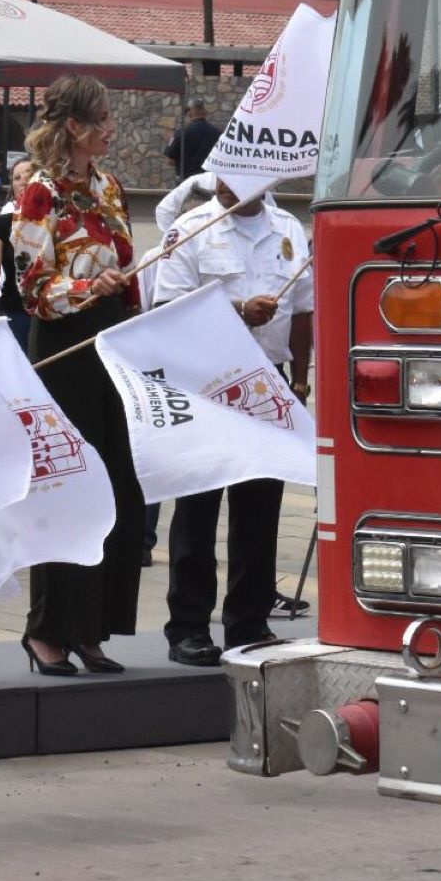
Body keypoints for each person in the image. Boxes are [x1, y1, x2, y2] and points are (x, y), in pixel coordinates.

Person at [11, 75, 151, 677]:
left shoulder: (109, 186)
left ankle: (93, 628)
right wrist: (89, 288)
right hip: (65, 350)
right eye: (103, 118)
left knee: (119, 487)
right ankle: (47, 631)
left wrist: (132, 309)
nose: (112, 127)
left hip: (111, 344)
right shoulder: (39, 194)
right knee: (69, 487)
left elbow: (124, 265)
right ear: (75, 126)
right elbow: (31, 288)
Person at [153, 178, 313, 666]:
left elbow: (303, 308)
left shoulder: (286, 227)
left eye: (238, 178)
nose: (226, 187)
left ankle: (249, 621)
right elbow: (166, 308)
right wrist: (240, 311)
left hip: (268, 380)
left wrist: (301, 383)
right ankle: (189, 626)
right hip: (207, 382)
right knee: (198, 507)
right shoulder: (192, 228)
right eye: (220, 176)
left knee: (260, 509)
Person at [0, 157, 35, 350]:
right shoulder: (1, 223)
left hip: (50, 314)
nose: (22, 181)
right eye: (16, 177)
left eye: (28, 175)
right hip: (15, 311)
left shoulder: (59, 221)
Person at [163, 101, 222, 180]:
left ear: (189, 113)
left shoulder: (181, 133)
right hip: (209, 182)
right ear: (205, 112)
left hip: (186, 182)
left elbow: (169, 160)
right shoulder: (218, 133)